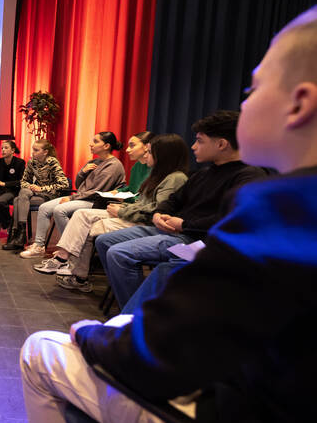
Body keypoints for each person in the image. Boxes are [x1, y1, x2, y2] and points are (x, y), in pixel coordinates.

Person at [21, 5, 317, 423]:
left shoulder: (286, 209)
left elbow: (163, 352)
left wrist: (88, 333)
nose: (244, 105)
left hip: (242, 413)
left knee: (41, 349)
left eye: (253, 91)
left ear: (299, 104)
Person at [95, 111, 267, 308]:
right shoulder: (203, 174)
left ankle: (135, 317)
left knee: (120, 253)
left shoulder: (248, 176)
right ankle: (135, 307)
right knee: (105, 240)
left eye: (200, 141)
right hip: (174, 231)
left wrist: (185, 224)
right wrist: (159, 213)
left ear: (221, 144)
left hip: (198, 240)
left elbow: (233, 219)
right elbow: (173, 200)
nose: (193, 147)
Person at [35, 134, 189, 293]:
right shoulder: (156, 174)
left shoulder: (174, 178)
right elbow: (83, 184)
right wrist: (83, 173)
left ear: (162, 155)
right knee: (81, 215)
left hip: (142, 221)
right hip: (130, 213)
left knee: (84, 224)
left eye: (149, 152)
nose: (146, 155)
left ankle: (77, 274)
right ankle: (63, 257)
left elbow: (156, 210)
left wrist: (122, 211)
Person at [19, 131, 126, 259]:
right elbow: (78, 184)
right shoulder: (95, 162)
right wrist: (82, 172)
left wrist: (71, 197)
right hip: (82, 197)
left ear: (106, 146)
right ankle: (39, 246)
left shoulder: (113, 165)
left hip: (95, 201)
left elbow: (96, 191)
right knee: (44, 208)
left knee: (60, 210)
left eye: (96, 141)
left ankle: (70, 248)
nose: (91, 144)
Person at [3, 139, 70, 251]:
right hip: (36, 192)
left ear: (45, 152)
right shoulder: (32, 162)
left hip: (50, 195)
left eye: (36, 150)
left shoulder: (52, 162)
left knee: (17, 200)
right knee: (23, 193)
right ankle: (20, 235)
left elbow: (64, 184)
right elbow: (23, 181)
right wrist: (31, 187)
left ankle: (17, 236)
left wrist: (41, 188)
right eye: (33, 149)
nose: (32, 152)